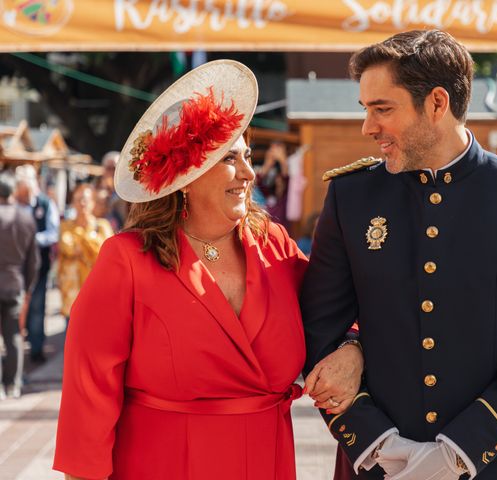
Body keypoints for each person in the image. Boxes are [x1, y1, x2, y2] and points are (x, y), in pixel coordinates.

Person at [53, 60, 359, 480]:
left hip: (267, 462)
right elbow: (88, 396)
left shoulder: (274, 244)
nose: (250, 174)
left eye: (248, 157)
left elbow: (338, 313)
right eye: (230, 159)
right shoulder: (125, 260)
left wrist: (354, 350)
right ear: (187, 174)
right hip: (159, 466)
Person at [301, 30, 497, 480]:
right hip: (375, 465)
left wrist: (458, 452)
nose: (368, 128)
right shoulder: (351, 197)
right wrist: (377, 442)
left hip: (492, 463)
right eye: (366, 110)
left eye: (382, 109)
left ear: (436, 103)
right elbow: (318, 329)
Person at [0, 171, 40, 400]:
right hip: (15, 282)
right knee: (14, 335)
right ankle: (13, 384)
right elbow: (34, 259)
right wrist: (28, 285)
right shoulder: (25, 218)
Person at [14, 164, 59, 363]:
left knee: (37, 308)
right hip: (16, 269)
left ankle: (36, 348)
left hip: (39, 267)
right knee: (16, 310)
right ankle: (16, 349)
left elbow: (53, 233)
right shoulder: (12, 203)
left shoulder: (45, 204)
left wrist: (33, 240)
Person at [57, 184, 114, 321]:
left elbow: (104, 253)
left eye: (86, 199)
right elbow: (68, 247)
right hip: (72, 291)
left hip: (96, 292)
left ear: (93, 202)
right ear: (73, 203)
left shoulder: (102, 226)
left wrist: (83, 235)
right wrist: (87, 238)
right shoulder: (65, 226)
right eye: (78, 199)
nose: (82, 203)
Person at [256, 141, 289, 227]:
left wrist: (283, 161)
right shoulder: (268, 197)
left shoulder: (285, 199)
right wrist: (268, 163)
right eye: (272, 149)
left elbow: (287, 180)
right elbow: (258, 183)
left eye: (278, 149)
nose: (275, 152)